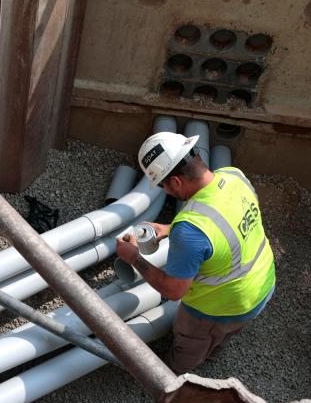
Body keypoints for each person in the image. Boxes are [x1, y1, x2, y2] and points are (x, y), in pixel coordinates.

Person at [115, 131, 275, 374]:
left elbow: (173, 290)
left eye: (164, 186)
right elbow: (223, 221)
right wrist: (171, 229)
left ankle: (172, 374)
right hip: (263, 283)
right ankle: (214, 350)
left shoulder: (190, 231)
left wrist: (133, 257)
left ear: (176, 182)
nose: (166, 192)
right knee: (226, 332)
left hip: (222, 305)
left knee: (191, 342)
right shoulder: (233, 176)